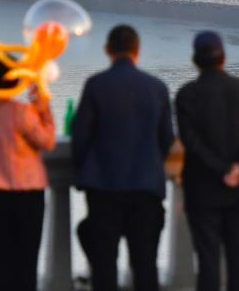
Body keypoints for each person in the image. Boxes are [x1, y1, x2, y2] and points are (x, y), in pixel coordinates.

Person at [72, 25, 175, 291]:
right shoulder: (157, 88)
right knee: (145, 265)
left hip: (103, 188)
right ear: (137, 50)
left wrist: (83, 171)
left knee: (104, 265)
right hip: (146, 188)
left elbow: (80, 137)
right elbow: (166, 139)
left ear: (108, 50)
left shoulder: (96, 85)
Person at [176, 31, 239, 291]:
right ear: (223, 58)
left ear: (195, 60)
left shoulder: (186, 95)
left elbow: (191, 143)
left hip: (202, 190)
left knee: (208, 261)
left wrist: (221, 170)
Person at [0, 59, 56, 291]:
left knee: (1, 259)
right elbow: (47, 141)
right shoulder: (22, 112)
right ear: (17, 81)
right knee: (27, 260)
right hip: (29, 193)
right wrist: (43, 106)